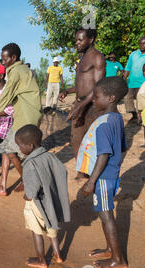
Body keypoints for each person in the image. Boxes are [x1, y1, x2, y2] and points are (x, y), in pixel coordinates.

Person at [76, 76, 128, 268]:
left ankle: (118, 259)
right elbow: (121, 147)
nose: (94, 101)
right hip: (110, 174)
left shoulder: (105, 124)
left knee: (106, 215)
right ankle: (110, 249)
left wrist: (91, 182)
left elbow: (103, 155)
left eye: (97, 97)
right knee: (105, 213)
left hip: (104, 177)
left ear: (111, 98)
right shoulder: (116, 118)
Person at [0, 42, 42, 196]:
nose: (3, 62)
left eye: (5, 59)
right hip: (22, 116)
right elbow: (13, 94)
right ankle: (3, 187)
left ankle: (31, 182)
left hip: (26, 117)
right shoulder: (22, 70)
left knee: (23, 153)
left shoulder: (15, 72)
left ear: (14, 58)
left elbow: (7, 95)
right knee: (7, 149)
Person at [15, 124, 70, 268]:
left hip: (37, 203)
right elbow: (62, 172)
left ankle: (41, 260)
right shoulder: (50, 156)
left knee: (36, 231)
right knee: (52, 230)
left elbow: (32, 190)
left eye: (20, 146)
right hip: (50, 201)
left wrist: (27, 196)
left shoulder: (29, 163)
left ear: (30, 145)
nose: (19, 149)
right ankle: (57, 255)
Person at [59, 28, 106, 178]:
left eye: (80, 40)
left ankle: (94, 172)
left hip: (92, 106)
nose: (76, 43)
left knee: (92, 140)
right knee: (76, 138)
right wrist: (67, 91)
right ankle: (82, 170)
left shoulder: (97, 57)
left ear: (90, 40)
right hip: (79, 103)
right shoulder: (82, 58)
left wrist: (82, 104)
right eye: (76, 40)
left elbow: (98, 86)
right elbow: (81, 84)